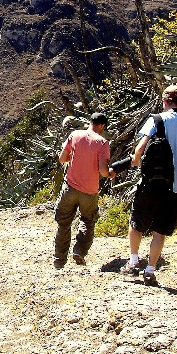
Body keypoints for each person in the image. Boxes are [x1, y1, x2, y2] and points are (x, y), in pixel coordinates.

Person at [120, 85, 177, 285]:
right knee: (160, 230)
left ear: (165, 101)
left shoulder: (156, 120)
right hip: (174, 188)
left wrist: (136, 162)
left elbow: (140, 148)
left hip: (150, 183)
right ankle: (150, 270)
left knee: (137, 223)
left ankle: (133, 262)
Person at [53, 112, 115, 268]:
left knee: (64, 223)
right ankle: (79, 251)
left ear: (90, 122)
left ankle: (59, 260)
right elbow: (103, 171)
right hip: (89, 191)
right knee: (88, 221)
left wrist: (75, 159)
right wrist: (110, 173)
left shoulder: (75, 135)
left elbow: (62, 159)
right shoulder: (103, 143)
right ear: (102, 126)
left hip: (70, 187)